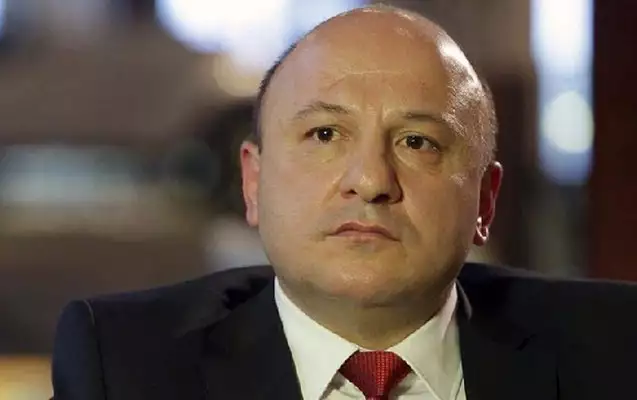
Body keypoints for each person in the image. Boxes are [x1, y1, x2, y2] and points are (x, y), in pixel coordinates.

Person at [51, 5, 637, 400]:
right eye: (325, 134)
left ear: (485, 201)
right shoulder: (123, 367)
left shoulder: (617, 350)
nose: (371, 180)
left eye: (417, 142)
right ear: (253, 182)